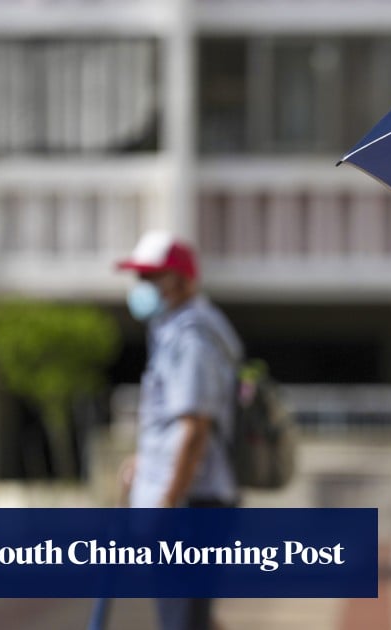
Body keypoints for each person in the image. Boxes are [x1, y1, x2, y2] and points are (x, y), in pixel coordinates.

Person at [115, 230, 242, 630]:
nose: (142, 286)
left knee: (182, 617)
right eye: (140, 277)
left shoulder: (193, 338)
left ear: (182, 279)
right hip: (186, 499)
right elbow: (173, 421)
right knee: (189, 615)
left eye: (152, 277)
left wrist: (166, 501)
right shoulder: (175, 329)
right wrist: (146, 461)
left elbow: (195, 429)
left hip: (190, 503)